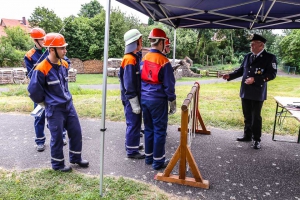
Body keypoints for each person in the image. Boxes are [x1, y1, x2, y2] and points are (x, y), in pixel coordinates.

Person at [27, 33, 89, 172]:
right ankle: (58, 164)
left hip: (68, 105)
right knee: (57, 138)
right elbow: (33, 91)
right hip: (55, 109)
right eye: (61, 48)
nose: (65, 51)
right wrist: (44, 103)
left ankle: (75, 158)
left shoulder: (64, 64)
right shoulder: (41, 68)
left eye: (64, 48)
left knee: (76, 132)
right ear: (51, 49)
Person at [222, 34, 277, 149]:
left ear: (261, 45)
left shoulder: (269, 57)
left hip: (257, 91)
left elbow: (272, 74)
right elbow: (241, 70)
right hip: (246, 90)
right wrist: (229, 76)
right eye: (251, 44)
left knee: (256, 116)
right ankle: (247, 135)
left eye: (253, 44)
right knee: (247, 115)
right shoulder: (248, 56)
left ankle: (256, 139)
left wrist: (255, 79)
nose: (251, 46)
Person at [24, 28, 68, 152]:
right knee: (39, 117)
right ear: (35, 40)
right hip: (40, 90)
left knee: (59, 115)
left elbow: (65, 62)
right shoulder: (29, 55)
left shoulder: (53, 48)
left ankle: (61, 136)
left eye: (44, 38)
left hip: (54, 90)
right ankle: (40, 141)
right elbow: (31, 74)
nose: (44, 41)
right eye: (41, 39)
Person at [140, 28, 176, 170]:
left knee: (148, 129)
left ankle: (149, 158)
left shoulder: (144, 59)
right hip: (158, 100)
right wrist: (172, 101)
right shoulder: (164, 61)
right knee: (160, 130)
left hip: (144, 99)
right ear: (161, 42)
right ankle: (158, 162)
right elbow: (169, 85)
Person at [119, 29, 145, 159]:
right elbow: (129, 84)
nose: (142, 41)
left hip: (133, 97)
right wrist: (134, 102)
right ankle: (132, 151)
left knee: (135, 122)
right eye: (140, 39)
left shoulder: (135, 57)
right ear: (135, 42)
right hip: (130, 98)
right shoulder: (129, 59)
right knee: (133, 123)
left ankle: (132, 144)